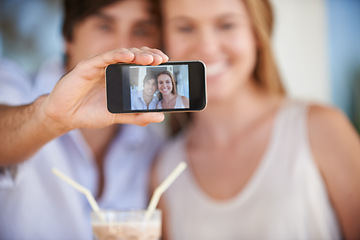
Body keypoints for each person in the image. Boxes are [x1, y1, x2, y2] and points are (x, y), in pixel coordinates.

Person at [151, 0, 360, 239]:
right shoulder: (164, 170)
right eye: (185, 28)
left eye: (227, 25)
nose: (206, 47)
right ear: (163, 40)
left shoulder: (322, 129)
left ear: (257, 34)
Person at [0, 0, 169, 239]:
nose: (124, 47)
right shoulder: (12, 86)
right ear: (68, 37)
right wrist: (49, 119)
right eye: (105, 26)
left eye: (141, 30)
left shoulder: (154, 142)